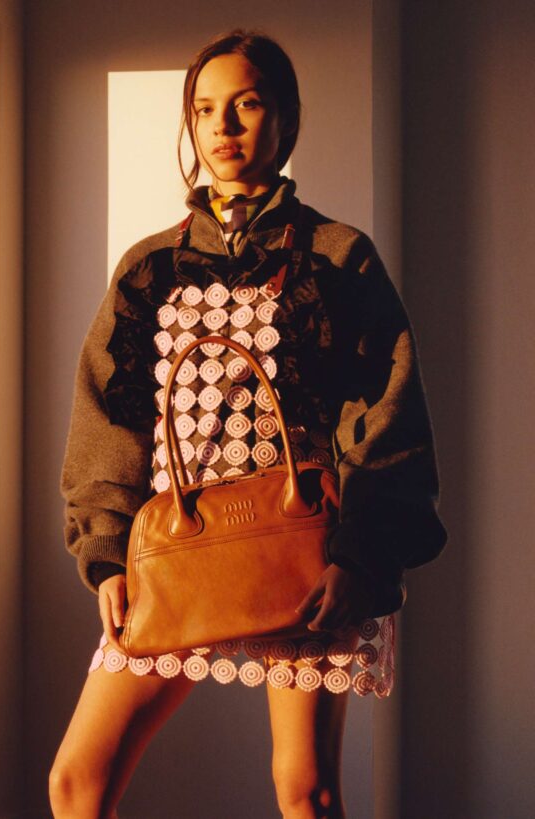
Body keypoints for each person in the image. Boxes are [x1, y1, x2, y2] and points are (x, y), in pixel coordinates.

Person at [50, 28, 447, 819]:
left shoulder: (338, 256)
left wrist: (359, 557)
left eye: (247, 104)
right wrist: (108, 553)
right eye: (204, 109)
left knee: (305, 790)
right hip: (178, 556)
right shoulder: (149, 268)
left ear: (285, 119)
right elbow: (112, 416)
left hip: (301, 560)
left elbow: (382, 413)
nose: (223, 127)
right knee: (76, 781)